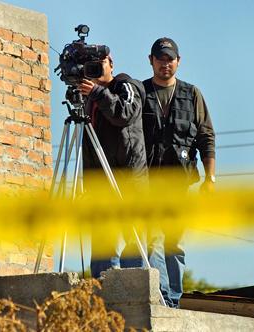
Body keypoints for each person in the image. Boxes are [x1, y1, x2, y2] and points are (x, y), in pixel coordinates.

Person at [142, 37, 216, 307]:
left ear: (178, 61)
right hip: (148, 181)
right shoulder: (140, 91)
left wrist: (210, 178)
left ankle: (172, 299)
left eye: (170, 59)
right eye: (160, 58)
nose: (165, 63)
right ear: (150, 60)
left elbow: (206, 137)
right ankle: (161, 297)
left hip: (180, 182)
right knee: (152, 241)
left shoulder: (192, 94)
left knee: (174, 243)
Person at [77, 54, 148, 278]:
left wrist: (98, 93)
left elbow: (125, 114)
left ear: (111, 65)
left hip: (129, 177)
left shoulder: (126, 85)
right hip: (101, 180)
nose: (96, 70)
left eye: (100, 65)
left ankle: (133, 287)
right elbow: (88, 146)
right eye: (91, 66)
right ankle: (102, 291)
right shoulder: (89, 98)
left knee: (132, 234)